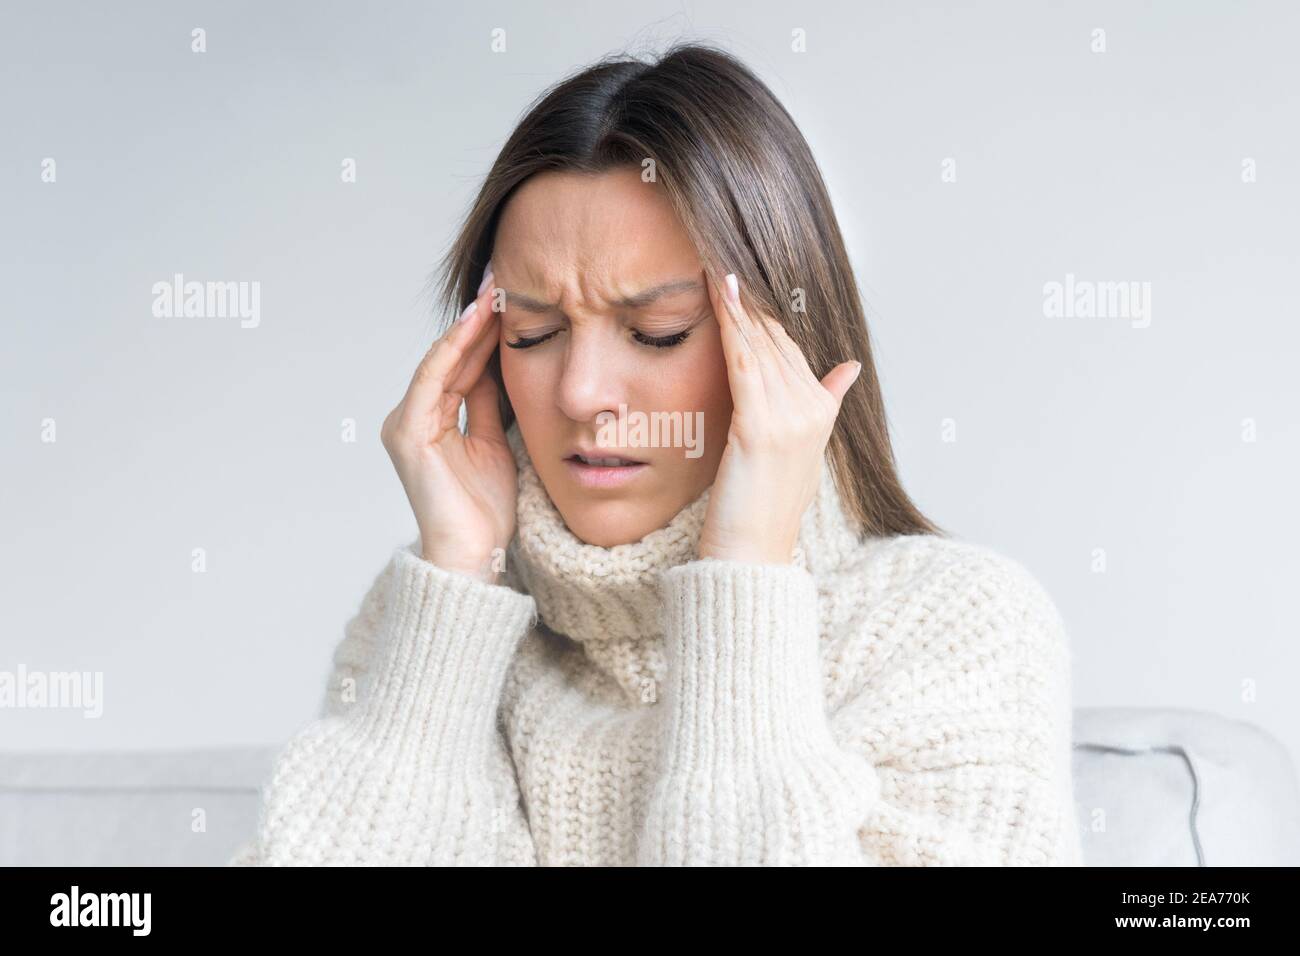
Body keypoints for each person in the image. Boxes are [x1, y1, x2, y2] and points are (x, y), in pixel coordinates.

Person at [228, 42, 1083, 866]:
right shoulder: (428, 613)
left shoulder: (957, 626)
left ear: (787, 343)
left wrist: (745, 580)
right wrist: (456, 579)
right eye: (533, 332)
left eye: (656, 332)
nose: (581, 393)